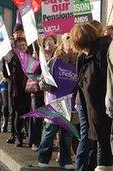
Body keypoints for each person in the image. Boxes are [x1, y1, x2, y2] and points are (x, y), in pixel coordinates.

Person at [70, 22, 113, 170]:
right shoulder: (83, 56)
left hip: (104, 110)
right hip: (89, 109)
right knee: (93, 143)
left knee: (103, 146)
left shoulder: (102, 52)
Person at [37, 39, 77, 170]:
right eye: (68, 46)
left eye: (73, 47)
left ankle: (65, 160)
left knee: (67, 136)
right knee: (50, 133)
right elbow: (42, 81)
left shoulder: (78, 64)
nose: (71, 49)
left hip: (70, 106)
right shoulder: (54, 61)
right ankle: (43, 159)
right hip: (54, 103)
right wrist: (45, 83)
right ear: (63, 47)